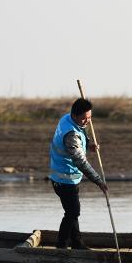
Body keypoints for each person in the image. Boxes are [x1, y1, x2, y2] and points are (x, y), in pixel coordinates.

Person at [48, 98, 108, 249]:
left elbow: (80, 134)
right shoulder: (70, 134)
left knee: (72, 211)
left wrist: (88, 144)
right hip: (65, 179)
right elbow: (80, 162)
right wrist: (98, 181)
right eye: (84, 118)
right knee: (73, 212)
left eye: (89, 117)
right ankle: (61, 246)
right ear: (74, 115)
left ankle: (77, 243)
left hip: (64, 177)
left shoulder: (66, 118)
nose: (87, 121)